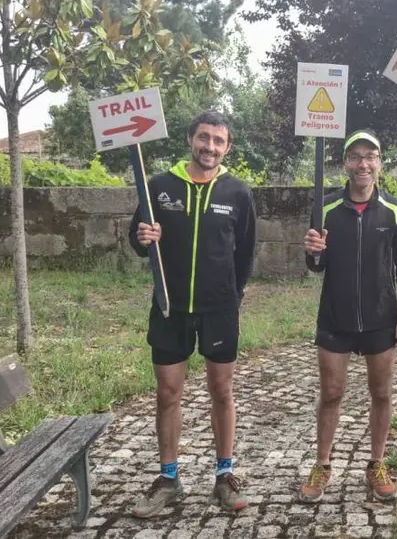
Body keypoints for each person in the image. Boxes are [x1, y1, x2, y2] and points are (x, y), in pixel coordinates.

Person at [127, 110, 257, 517]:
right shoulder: (160, 186)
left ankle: (224, 475)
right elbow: (137, 240)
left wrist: (233, 299)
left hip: (219, 309)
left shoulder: (237, 192)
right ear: (190, 139)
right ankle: (169, 479)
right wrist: (142, 237)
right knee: (168, 393)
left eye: (219, 141)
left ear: (228, 146)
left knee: (222, 391)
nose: (210, 148)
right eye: (204, 138)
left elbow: (247, 252)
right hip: (170, 307)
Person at [298, 128, 397, 503]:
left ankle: (377, 463)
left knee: (381, 393)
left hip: (381, 318)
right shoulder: (327, 208)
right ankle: (322, 464)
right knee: (331, 393)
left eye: (371, 157)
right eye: (356, 157)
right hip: (336, 317)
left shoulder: (395, 210)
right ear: (345, 163)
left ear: (379, 164)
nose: (363, 164)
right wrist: (313, 251)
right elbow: (316, 266)